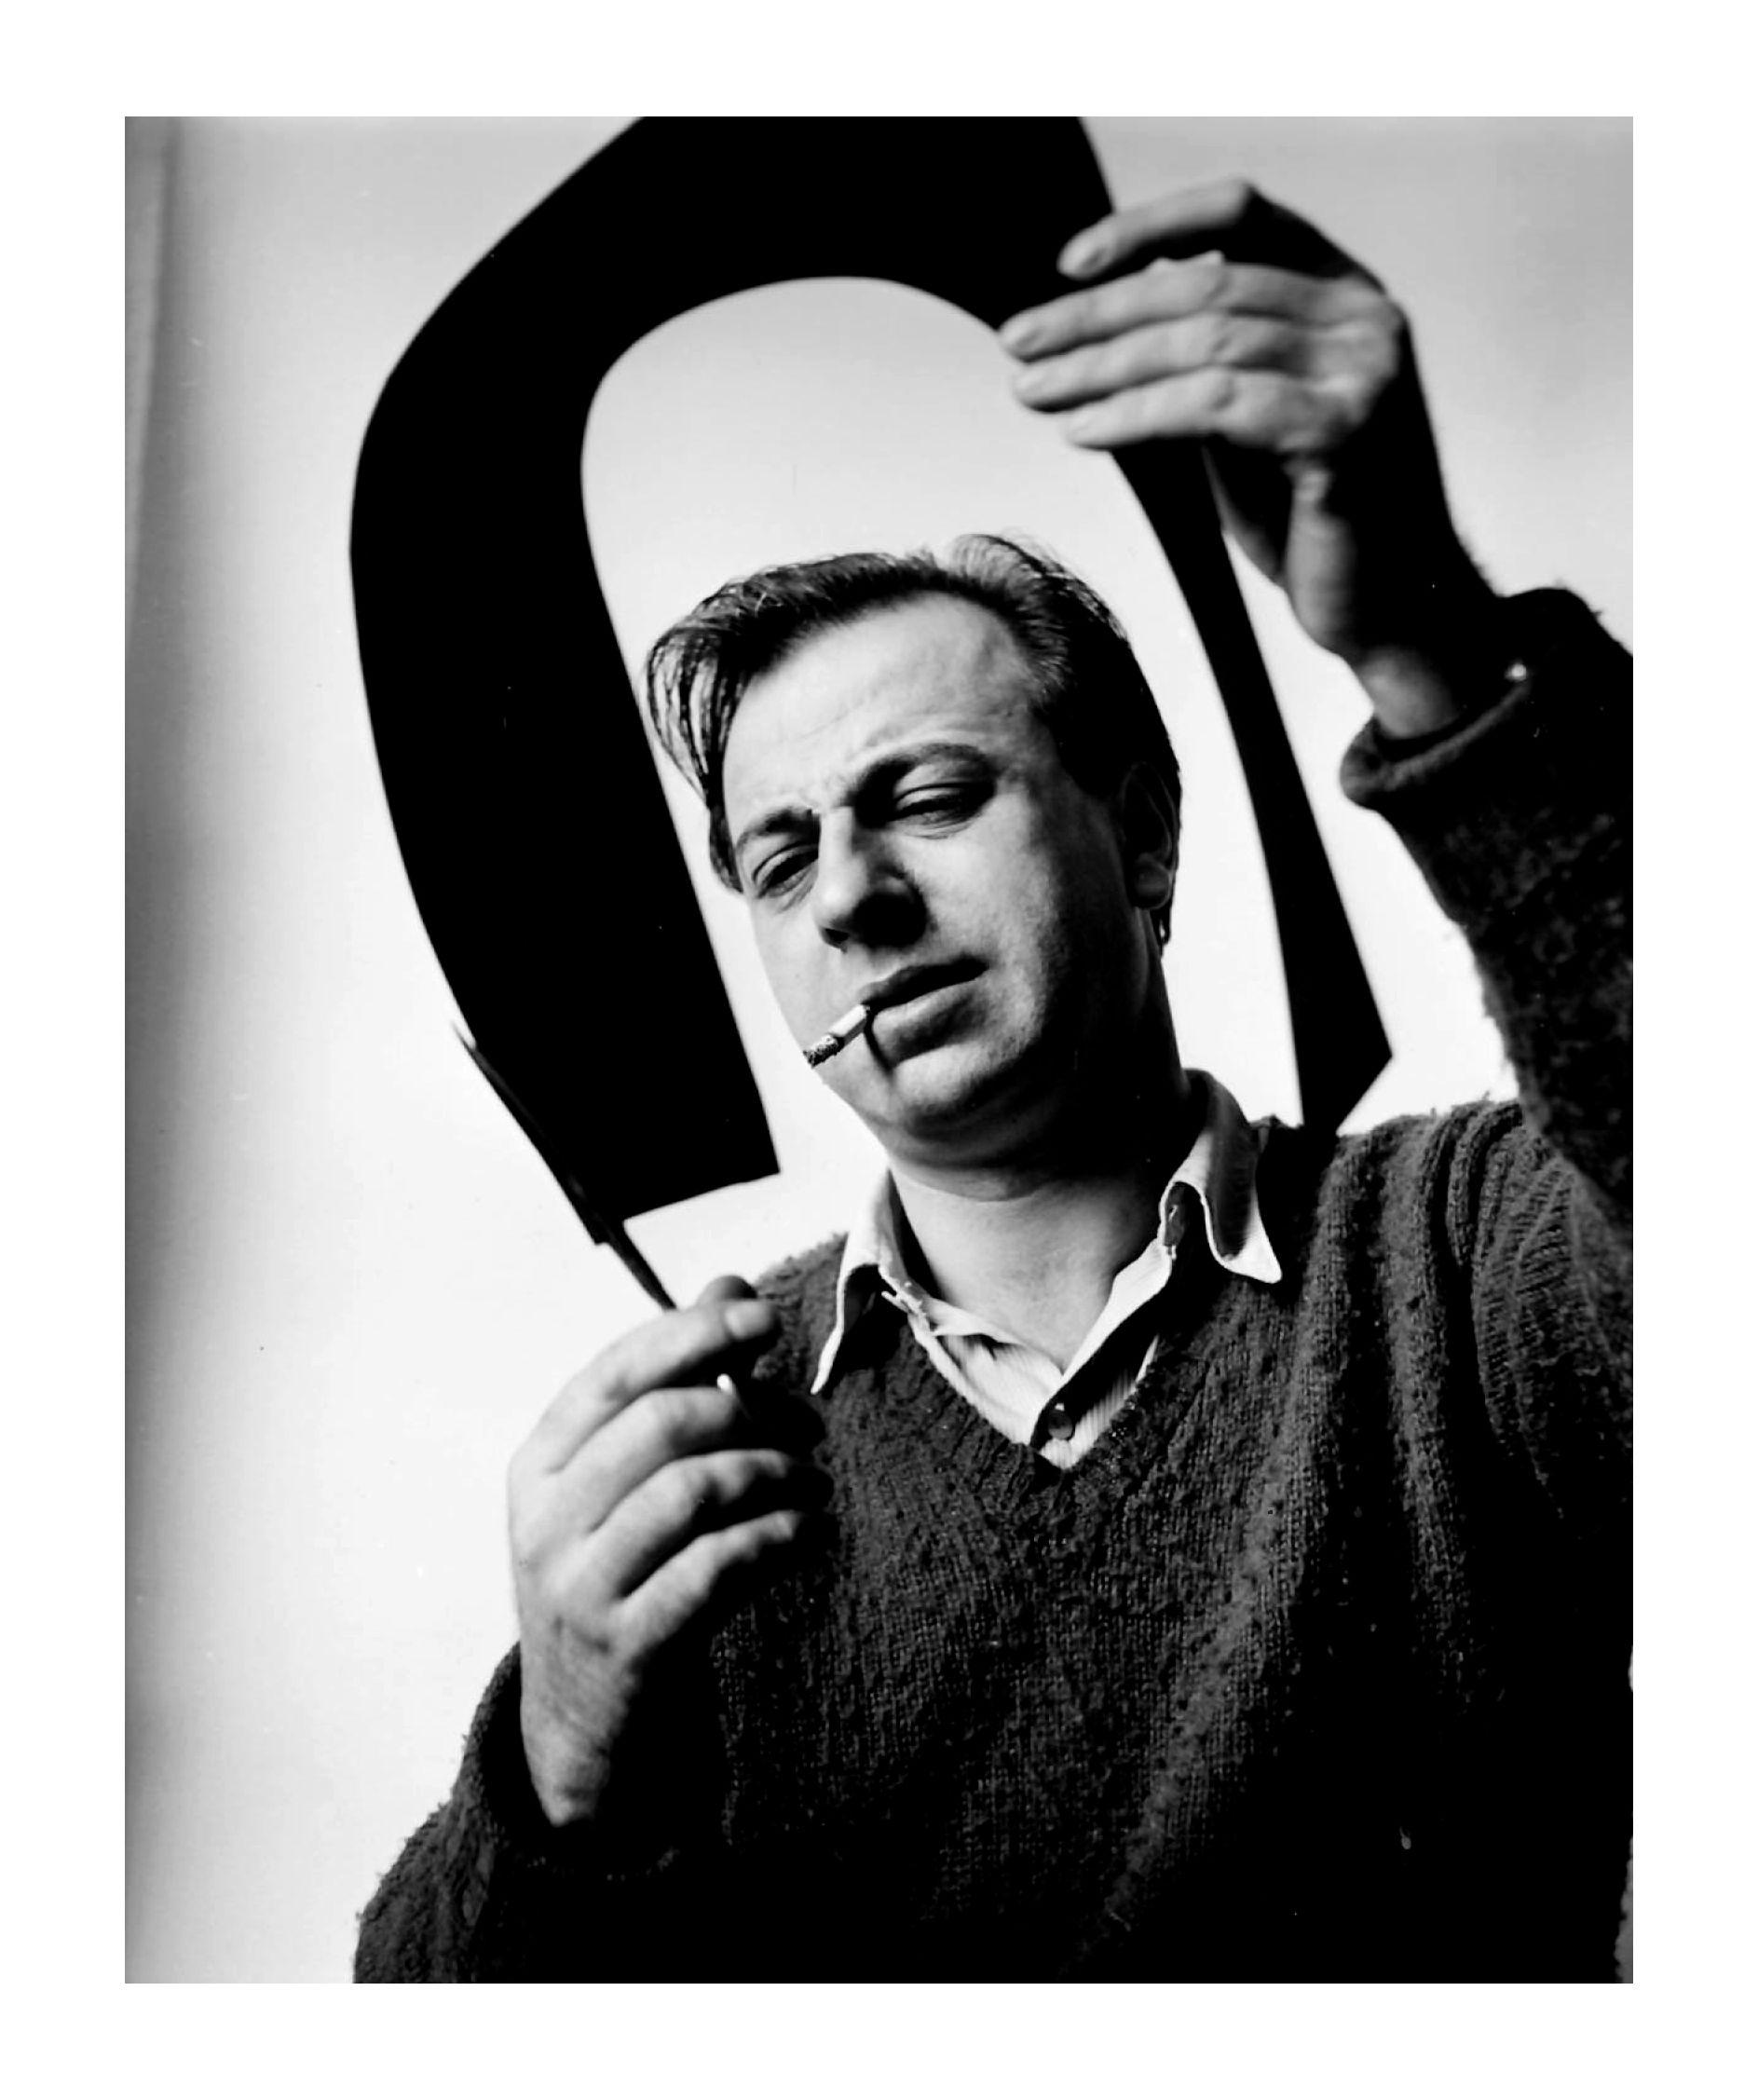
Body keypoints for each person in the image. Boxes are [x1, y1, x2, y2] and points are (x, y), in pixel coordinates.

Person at [355, 180, 1630, 1981]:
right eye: (780, 860)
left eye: (931, 798)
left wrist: (1429, 639)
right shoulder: (713, 1450)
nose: (851, 898)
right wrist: (561, 1767)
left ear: (1146, 834)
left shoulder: (1467, 1257)